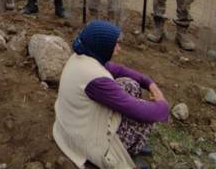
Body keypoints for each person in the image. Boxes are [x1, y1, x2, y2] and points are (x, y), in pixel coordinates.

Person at [53, 20, 170, 169]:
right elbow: (139, 111)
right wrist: (163, 106)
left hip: (72, 124)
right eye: (115, 44)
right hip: (82, 140)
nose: (119, 48)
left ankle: (133, 144)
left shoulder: (84, 56)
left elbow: (119, 70)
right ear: (102, 47)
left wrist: (149, 83)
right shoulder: (95, 79)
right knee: (143, 113)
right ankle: (128, 149)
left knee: (130, 85)